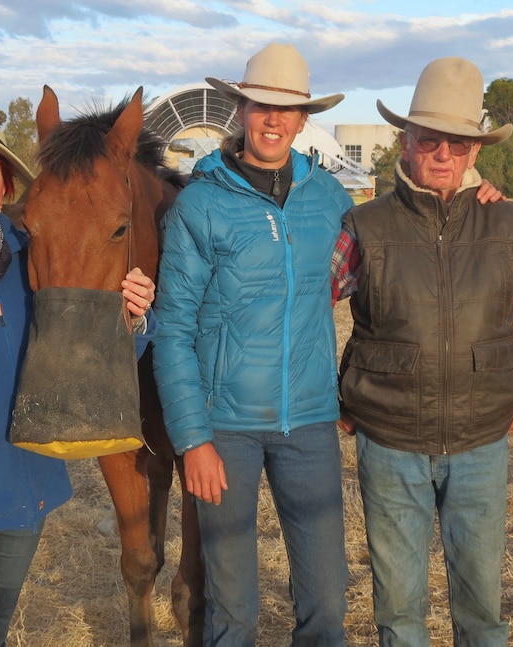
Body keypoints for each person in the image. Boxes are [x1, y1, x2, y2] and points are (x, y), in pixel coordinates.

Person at [331, 57, 513, 646]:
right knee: (399, 609)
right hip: (388, 444)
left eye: (456, 143)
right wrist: (335, 391)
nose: (442, 154)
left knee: (483, 609)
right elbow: (303, 308)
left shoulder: (507, 223)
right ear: (405, 143)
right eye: (428, 139)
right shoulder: (363, 225)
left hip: (481, 445)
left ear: (474, 152)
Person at [0, 115, 157, 646]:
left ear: (8, 188)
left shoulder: (34, 255)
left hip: (25, 486)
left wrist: (131, 321)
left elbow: (77, 353)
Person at [151, 42, 352, 646]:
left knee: (327, 600)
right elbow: (174, 328)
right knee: (232, 607)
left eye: (287, 110)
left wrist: (476, 195)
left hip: (311, 422)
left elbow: (382, 270)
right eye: (261, 105)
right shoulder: (202, 202)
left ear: (303, 119)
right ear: (240, 108)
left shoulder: (330, 199)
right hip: (226, 431)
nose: (273, 119)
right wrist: (193, 439)